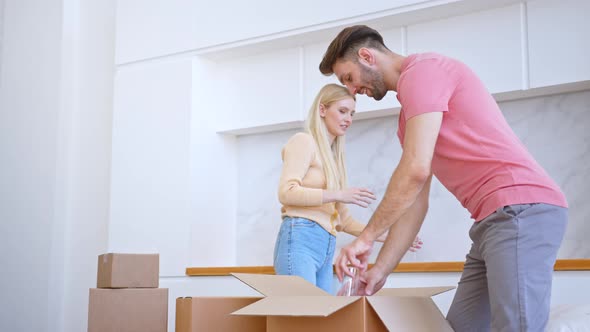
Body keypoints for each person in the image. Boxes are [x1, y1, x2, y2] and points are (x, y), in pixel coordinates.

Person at [319, 25, 568, 331]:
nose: (353, 90)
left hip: (521, 208)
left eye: (348, 78)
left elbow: (414, 170)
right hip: (491, 221)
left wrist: (366, 237)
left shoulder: (423, 72)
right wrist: (380, 269)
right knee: (462, 327)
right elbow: (415, 202)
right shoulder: (409, 117)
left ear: (367, 56)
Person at [274, 83, 422, 294]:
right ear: (322, 110)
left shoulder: (333, 160)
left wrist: (393, 238)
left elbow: (344, 221)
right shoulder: (303, 141)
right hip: (300, 237)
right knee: (303, 319)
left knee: (320, 321)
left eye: (352, 113)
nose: (348, 119)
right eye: (342, 111)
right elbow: (286, 192)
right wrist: (339, 194)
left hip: (326, 246)